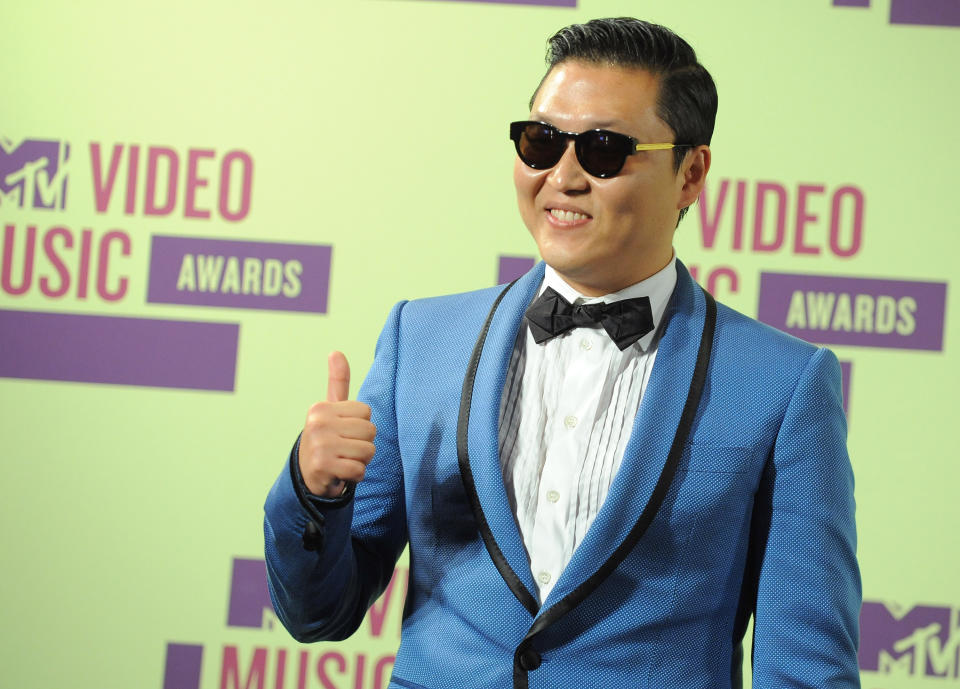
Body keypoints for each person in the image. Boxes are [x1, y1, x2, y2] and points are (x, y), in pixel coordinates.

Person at [264, 17, 861, 689]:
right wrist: (314, 491)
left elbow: (807, 670)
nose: (563, 176)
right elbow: (319, 610)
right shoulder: (420, 341)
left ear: (690, 174)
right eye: (541, 142)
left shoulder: (783, 384)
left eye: (604, 149)